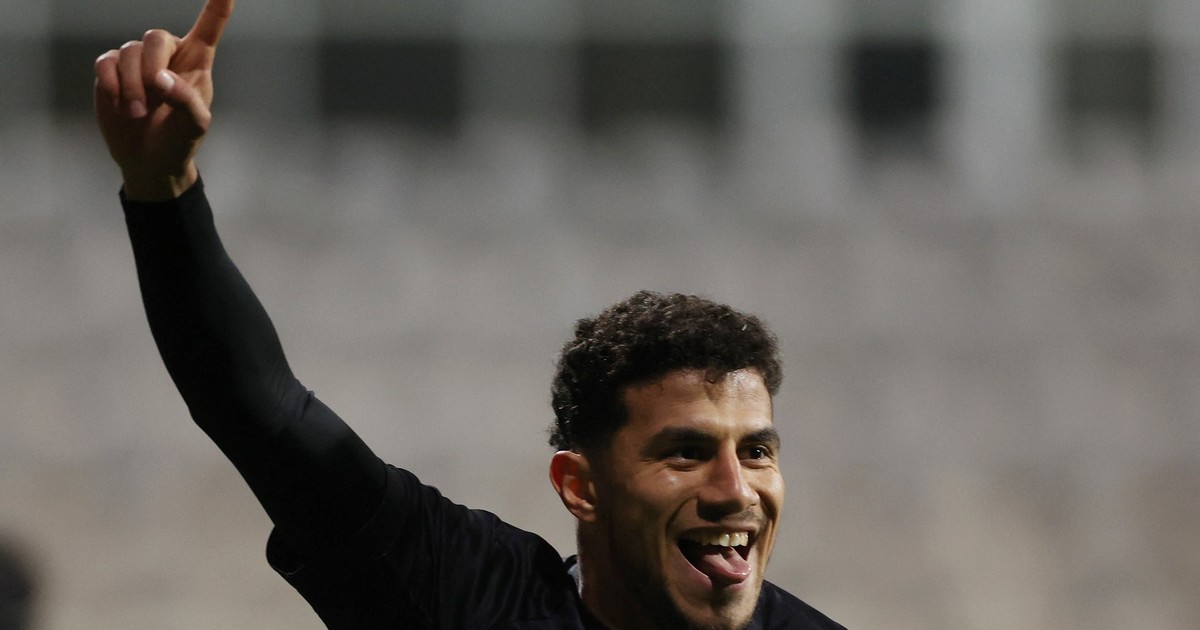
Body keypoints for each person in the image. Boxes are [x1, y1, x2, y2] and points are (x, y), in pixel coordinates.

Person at [93, 1, 845, 628]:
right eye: (684, 453)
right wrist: (162, 189)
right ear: (579, 486)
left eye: (757, 451)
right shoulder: (468, 597)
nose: (734, 490)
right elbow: (263, 413)